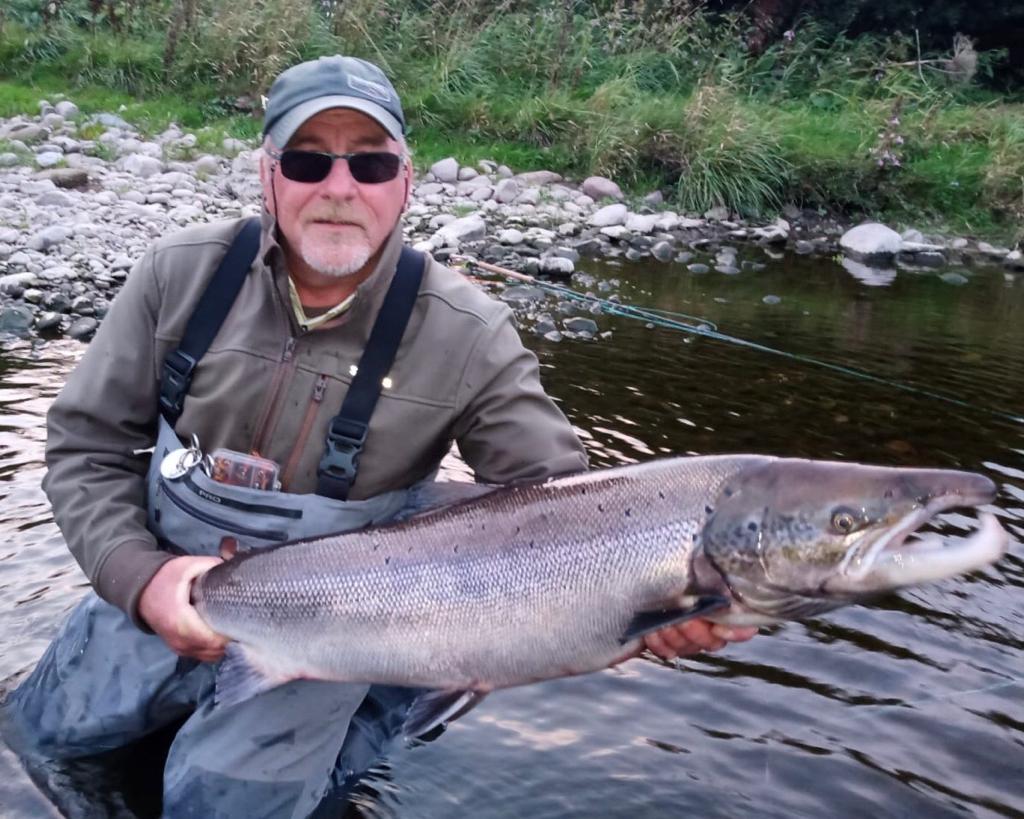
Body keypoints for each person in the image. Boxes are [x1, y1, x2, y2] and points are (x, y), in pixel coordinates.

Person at [5, 55, 755, 816]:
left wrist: (645, 601)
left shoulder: (469, 334)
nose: (339, 189)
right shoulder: (179, 275)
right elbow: (84, 445)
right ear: (267, 174)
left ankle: (369, 720)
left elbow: (561, 509)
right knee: (32, 745)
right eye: (307, 161)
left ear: (406, 181)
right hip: (162, 588)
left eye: (369, 164)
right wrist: (140, 578)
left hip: (334, 643)